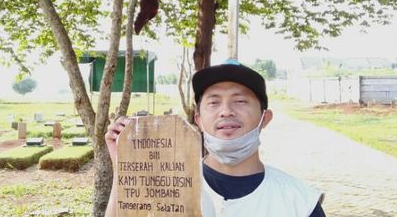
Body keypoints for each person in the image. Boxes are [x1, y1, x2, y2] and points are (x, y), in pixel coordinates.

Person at [105, 59, 325, 216]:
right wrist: (125, 171)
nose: (226, 111)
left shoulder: (300, 202)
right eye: (214, 102)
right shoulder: (165, 187)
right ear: (198, 119)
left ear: (264, 118)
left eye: (240, 101)